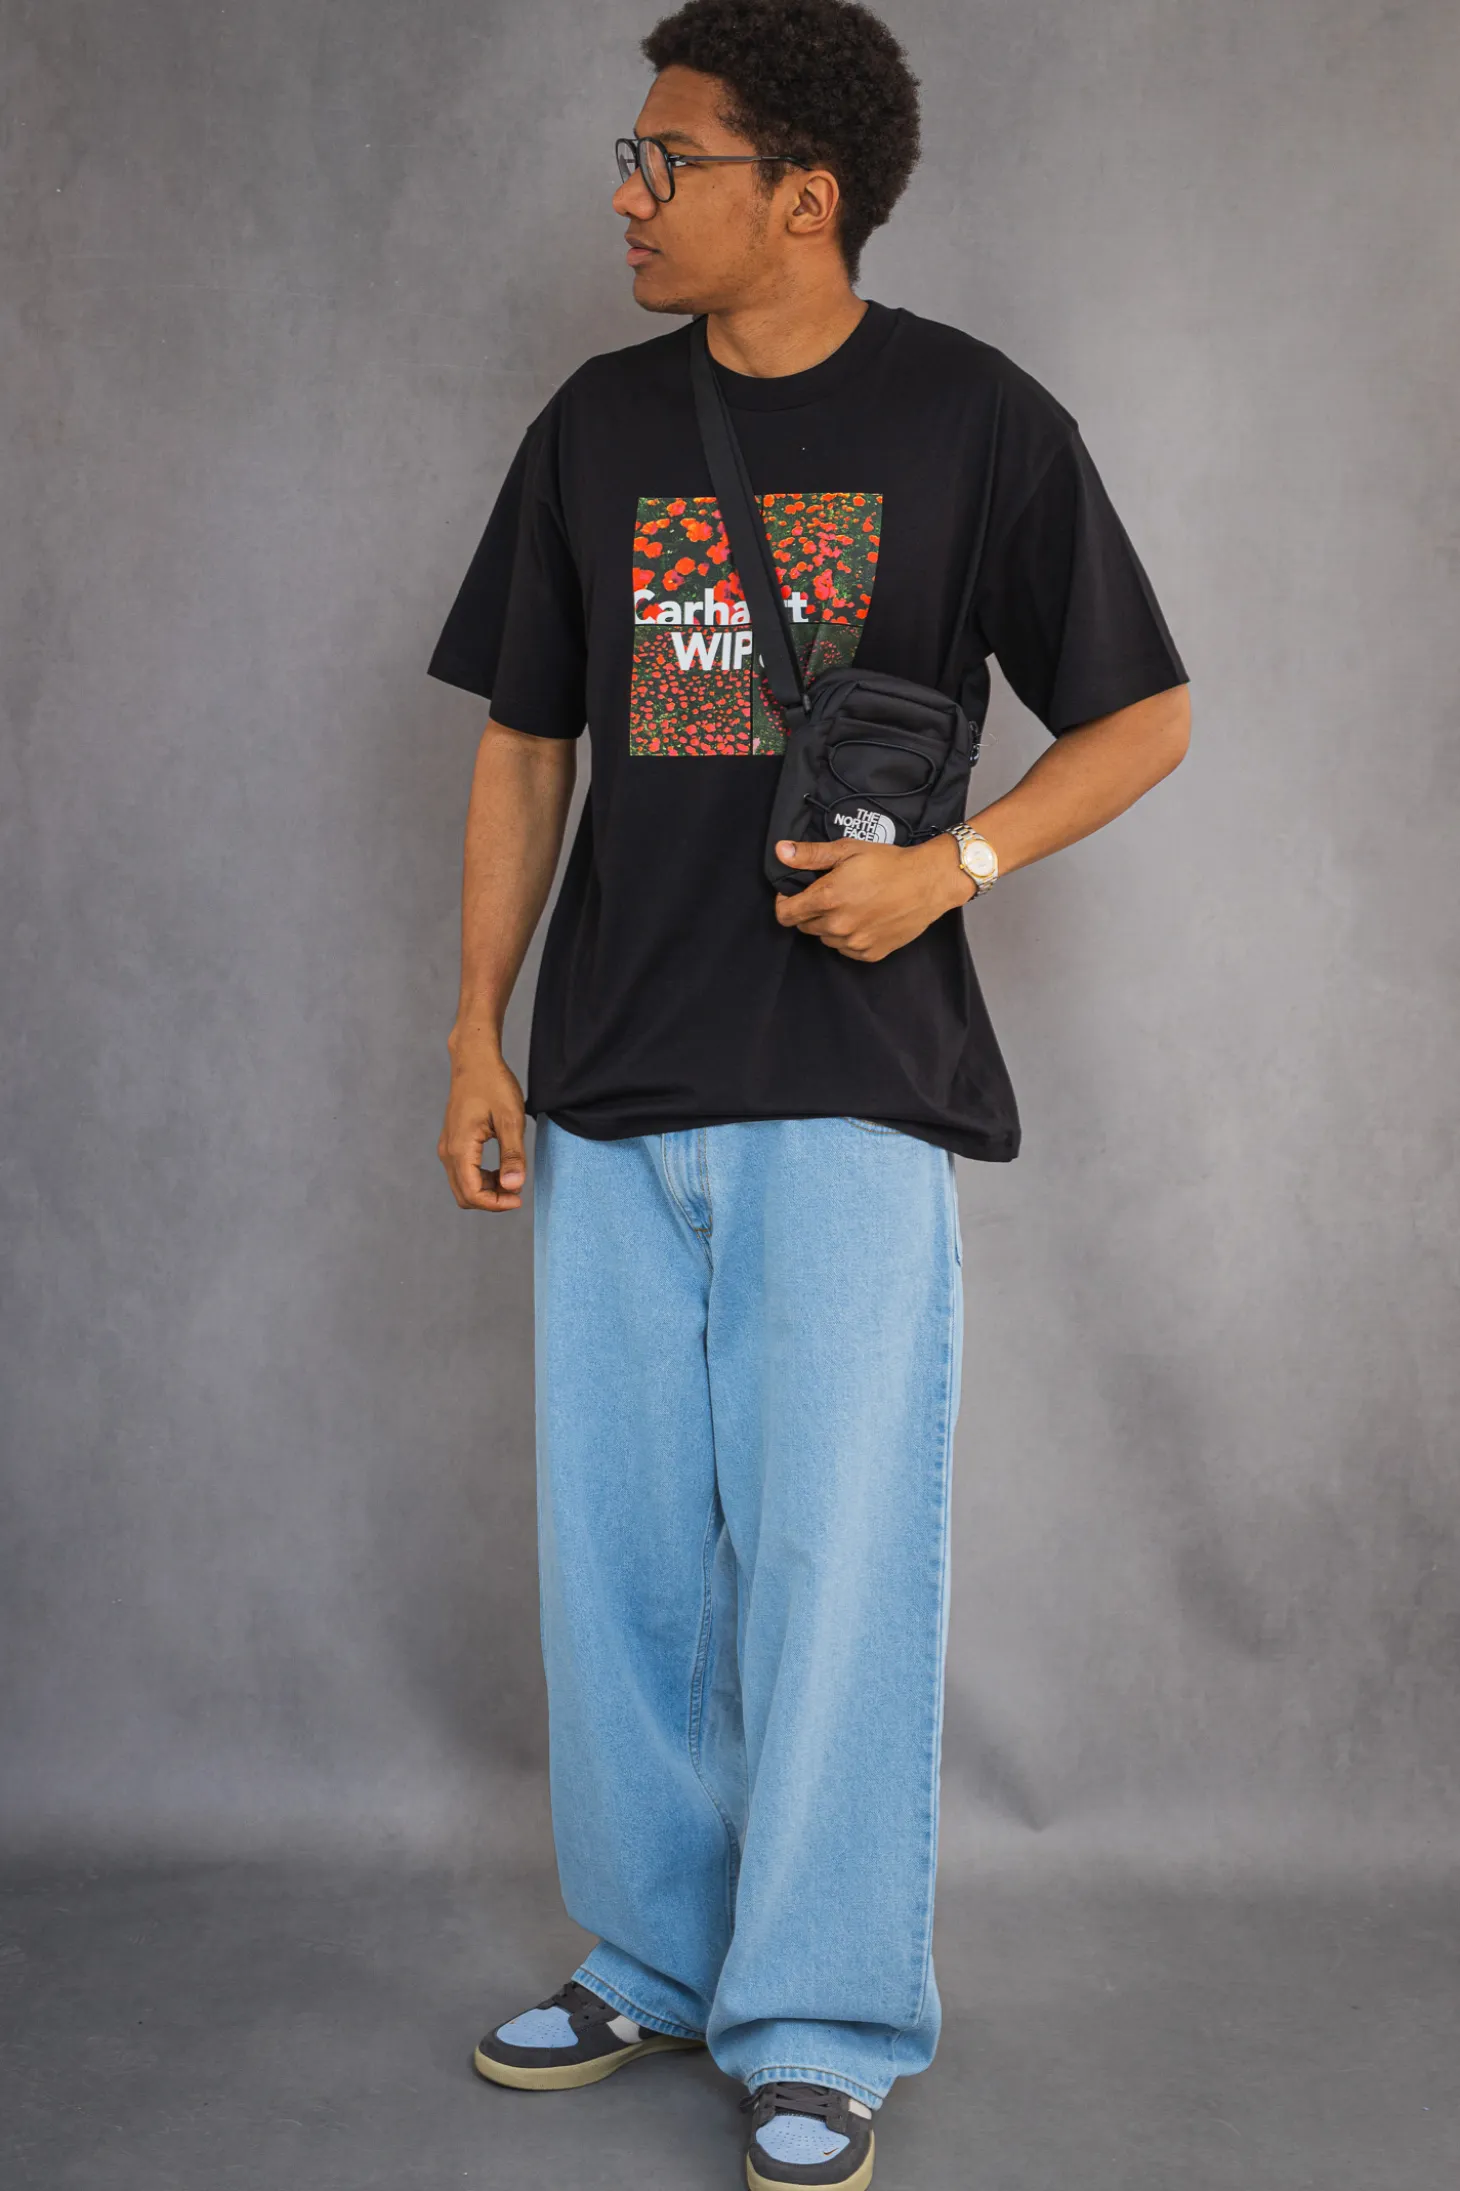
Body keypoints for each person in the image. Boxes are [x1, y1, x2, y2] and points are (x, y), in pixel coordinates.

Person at [427, 3, 1190, 2183]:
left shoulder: (973, 419)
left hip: (848, 1089)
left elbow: (1141, 713)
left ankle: (825, 2015)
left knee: (836, 1566)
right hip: (609, 1081)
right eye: (630, 156)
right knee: (623, 1573)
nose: (625, 194)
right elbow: (525, 743)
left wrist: (955, 866)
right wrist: (476, 1028)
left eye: (664, 159)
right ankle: (656, 1957)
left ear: (803, 196)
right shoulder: (595, 426)